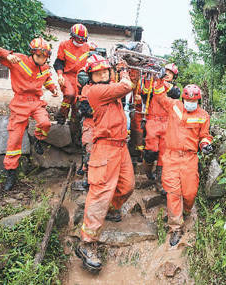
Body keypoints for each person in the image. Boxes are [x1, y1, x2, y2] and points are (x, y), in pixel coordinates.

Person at [75, 54, 134, 272]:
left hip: (120, 146)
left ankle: (111, 209)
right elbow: (127, 85)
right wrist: (123, 69)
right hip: (105, 147)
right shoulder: (96, 91)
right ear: (90, 76)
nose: (102, 74)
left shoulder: (109, 88)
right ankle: (87, 243)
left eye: (105, 71)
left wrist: (119, 70)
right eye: (97, 72)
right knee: (99, 193)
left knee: (127, 186)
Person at [0, 38, 58, 191]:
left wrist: (53, 89)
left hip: (36, 102)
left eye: (45, 56)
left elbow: (47, 80)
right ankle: (11, 173)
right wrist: (7, 55)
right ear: (32, 53)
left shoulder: (45, 67)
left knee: (45, 123)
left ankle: (38, 140)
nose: (42, 59)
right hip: (20, 103)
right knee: (14, 140)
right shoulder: (18, 60)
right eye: (39, 56)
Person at [155, 83, 213, 246]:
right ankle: (175, 228)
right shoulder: (174, 106)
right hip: (172, 157)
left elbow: (205, 135)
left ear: (199, 100)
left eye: (194, 100)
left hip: (189, 159)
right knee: (173, 193)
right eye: (187, 99)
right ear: (183, 98)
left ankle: (186, 211)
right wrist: (161, 82)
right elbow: (159, 96)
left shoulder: (203, 115)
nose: (190, 103)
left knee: (190, 193)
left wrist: (205, 144)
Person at [141, 63, 181, 194]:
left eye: (171, 73)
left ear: (174, 76)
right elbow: (147, 92)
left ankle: (160, 183)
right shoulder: (154, 83)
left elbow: (176, 97)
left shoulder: (174, 88)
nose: (168, 74)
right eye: (166, 71)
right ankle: (147, 171)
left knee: (164, 154)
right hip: (153, 120)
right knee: (151, 151)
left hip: (167, 122)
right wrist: (153, 79)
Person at [53, 23, 90, 146]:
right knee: (69, 94)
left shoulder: (87, 48)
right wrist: (59, 75)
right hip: (67, 75)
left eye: (82, 40)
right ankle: (61, 115)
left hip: (80, 77)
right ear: (72, 36)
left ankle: (75, 136)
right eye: (78, 39)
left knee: (77, 106)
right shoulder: (64, 45)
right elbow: (58, 62)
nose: (80, 42)